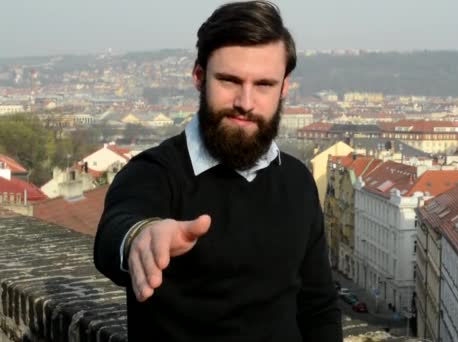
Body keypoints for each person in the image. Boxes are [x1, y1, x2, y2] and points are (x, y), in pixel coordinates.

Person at [93, 1, 343, 341]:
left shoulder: (297, 181)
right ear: (199, 77)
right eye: (229, 80)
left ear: (284, 88)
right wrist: (141, 237)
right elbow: (115, 232)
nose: (245, 102)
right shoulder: (155, 172)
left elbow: (318, 306)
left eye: (264, 85)